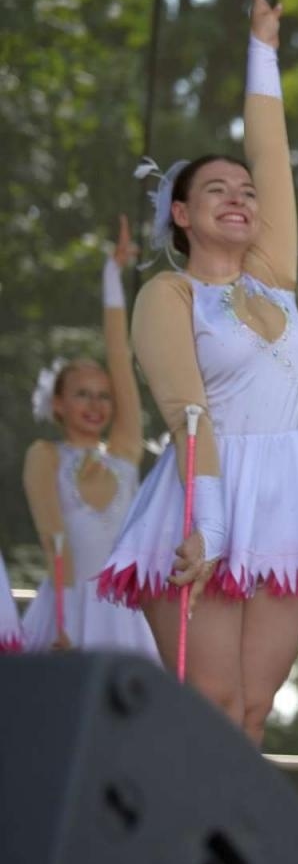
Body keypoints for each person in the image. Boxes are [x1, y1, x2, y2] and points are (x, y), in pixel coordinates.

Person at [98, 0, 298, 744]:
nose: (239, 198)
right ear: (179, 212)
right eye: (215, 191)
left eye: (245, 193)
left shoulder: (271, 280)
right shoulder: (168, 295)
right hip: (207, 499)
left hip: (286, 504)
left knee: (253, 711)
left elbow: (274, 159)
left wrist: (263, 49)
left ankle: (231, 860)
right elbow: (187, 412)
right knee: (209, 704)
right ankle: (167, 858)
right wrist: (208, 524)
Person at [23, 218, 157, 659]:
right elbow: (52, 537)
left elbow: (121, 357)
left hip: (125, 614)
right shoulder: (45, 456)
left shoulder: (124, 452)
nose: (96, 404)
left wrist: (112, 278)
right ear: (58, 404)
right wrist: (63, 619)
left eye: (103, 396)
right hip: (68, 608)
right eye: (82, 394)